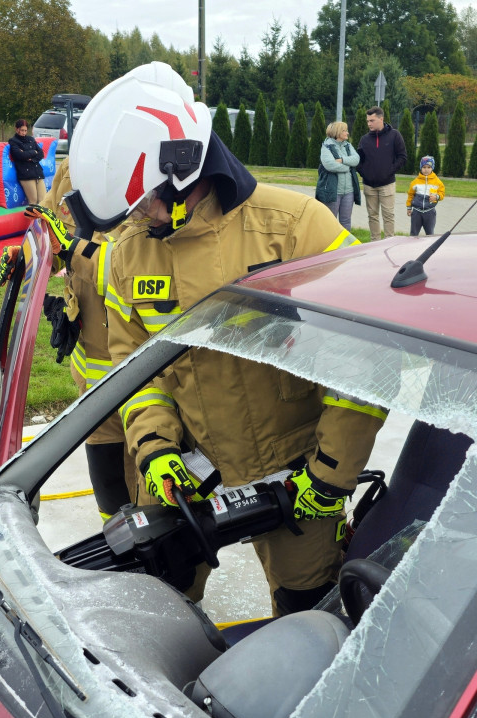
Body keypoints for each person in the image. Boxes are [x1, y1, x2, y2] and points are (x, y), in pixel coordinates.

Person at [43, 64, 387, 616]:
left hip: (297, 471)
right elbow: (134, 365)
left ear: (184, 167)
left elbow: (366, 356)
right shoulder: (133, 250)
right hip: (188, 470)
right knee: (155, 610)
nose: (137, 219)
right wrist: (155, 450)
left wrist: (330, 474)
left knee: (308, 620)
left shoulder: (297, 227)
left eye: (143, 202)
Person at [0, 157, 133, 521]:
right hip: (92, 374)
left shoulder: (147, 173)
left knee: (150, 494)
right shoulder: (71, 169)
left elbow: (133, 270)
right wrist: (29, 258)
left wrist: (71, 247)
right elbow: (55, 241)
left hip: (144, 373)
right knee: (108, 488)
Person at [357, 106, 407, 241]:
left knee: (388, 215)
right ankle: (375, 244)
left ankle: (389, 242)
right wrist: (364, 174)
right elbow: (358, 161)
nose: (369, 124)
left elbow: (402, 157)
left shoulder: (395, 135)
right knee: (372, 216)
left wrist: (388, 172)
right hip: (369, 185)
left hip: (387, 184)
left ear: (381, 118)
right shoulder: (364, 139)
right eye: (367, 121)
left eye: (372, 120)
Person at [316, 121, 361, 231]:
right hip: (333, 191)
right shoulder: (327, 146)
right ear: (337, 132)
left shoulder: (348, 145)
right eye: (344, 130)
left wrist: (342, 160)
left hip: (349, 191)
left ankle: (346, 247)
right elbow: (330, 165)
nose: (347, 133)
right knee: (330, 221)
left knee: (346, 221)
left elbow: (356, 159)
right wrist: (347, 167)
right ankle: (329, 246)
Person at [8, 119, 46, 205]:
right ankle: (34, 218)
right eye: (22, 130)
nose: (24, 133)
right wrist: (33, 152)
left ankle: (42, 218)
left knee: (43, 200)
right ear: (17, 129)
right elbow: (20, 155)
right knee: (33, 201)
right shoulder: (13, 141)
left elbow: (41, 153)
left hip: (37, 172)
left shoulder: (31, 139)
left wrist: (32, 159)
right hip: (26, 174)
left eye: (25, 130)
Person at [406, 156, 445, 236]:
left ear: (432, 168)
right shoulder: (415, 182)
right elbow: (410, 195)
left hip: (430, 212)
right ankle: (411, 248)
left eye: (429, 167)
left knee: (430, 234)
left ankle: (429, 248)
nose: (426, 169)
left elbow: (442, 194)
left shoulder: (437, 182)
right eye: (424, 167)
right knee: (413, 234)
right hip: (417, 212)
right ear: (421, 167)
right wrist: (409, 207)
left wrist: (437, 197)